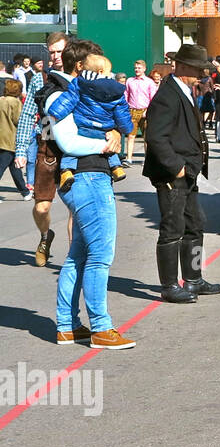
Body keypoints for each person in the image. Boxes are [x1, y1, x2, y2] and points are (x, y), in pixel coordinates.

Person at [51, 38, 133, 350]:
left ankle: (67, 325)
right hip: (87, 176)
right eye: (97, 62)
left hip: (87, 176)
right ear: (81, 66)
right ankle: (101, 327)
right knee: (100, 256)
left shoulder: (79, 92)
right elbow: (67, 141)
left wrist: (112, 131)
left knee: (79, 255)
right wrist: (107, 141)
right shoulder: (63, 93)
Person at [143, 43, 220, 303]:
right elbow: (156, 137)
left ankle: (193, 279)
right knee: (172, 228)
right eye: (199, 70)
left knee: (195, 224)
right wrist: (175, 167)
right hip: (173, 175)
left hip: (187, 172)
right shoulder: (167, 94)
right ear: (183, 67)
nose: (202, 75)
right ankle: (169, 285)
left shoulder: (184, 90)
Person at [15, 32, 71, 265]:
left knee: (74, 206)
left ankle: (73, 258)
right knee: (41, 207)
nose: (56, 56)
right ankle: (45, 236)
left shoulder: (78, 76)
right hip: (47, 142)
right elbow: (28, 114)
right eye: (52, 52)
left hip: (73, 146)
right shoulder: (41, 78)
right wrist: (20, 150)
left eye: (60, 51)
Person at [47, 53, 132, 189]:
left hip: (83, 127)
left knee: (70, 153)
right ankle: (116, 167)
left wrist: (54, 113)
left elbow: (69, 99)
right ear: (101, 72)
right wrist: (126, 128)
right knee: (109, 146)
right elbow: (122, 113)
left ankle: (66, 171)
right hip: (105, 129)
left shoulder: (79, 83)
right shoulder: (117, 90)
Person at [123, 59, 157, 166]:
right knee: (131, 135)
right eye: (136, 68)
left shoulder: (149, 82)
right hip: (132, 110)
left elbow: (153, 99)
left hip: (145, 111)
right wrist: (126, 109)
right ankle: (129, 159)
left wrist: (148, 111)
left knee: (146, 137)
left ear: (144, 69)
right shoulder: (130, 81)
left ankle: (147, 159)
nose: (137, 70)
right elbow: (126, 95)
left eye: (139, 68)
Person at [0, 78, 30, 196]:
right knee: (2, 166)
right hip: (10, 139)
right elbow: (18, 120)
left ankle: (25, 192)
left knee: (15, 168)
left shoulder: (1, 100)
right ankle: (25, 192)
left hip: (2, 138)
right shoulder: (15, 102)